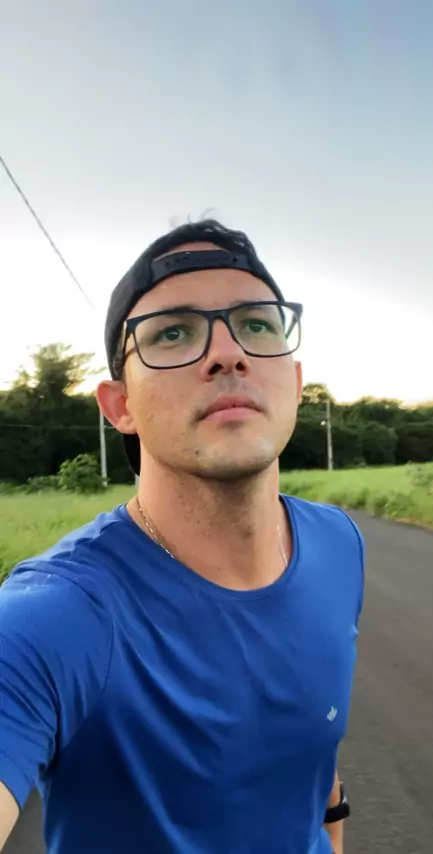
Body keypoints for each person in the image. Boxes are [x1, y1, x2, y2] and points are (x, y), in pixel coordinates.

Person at [0, 219, 365, 854]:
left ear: (295, 382)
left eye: (256, 324)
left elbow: (314, 745)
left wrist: (332, 835)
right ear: (120, 406)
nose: (228, 353)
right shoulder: (55, 616)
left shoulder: (339, 543)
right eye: (172, 333)